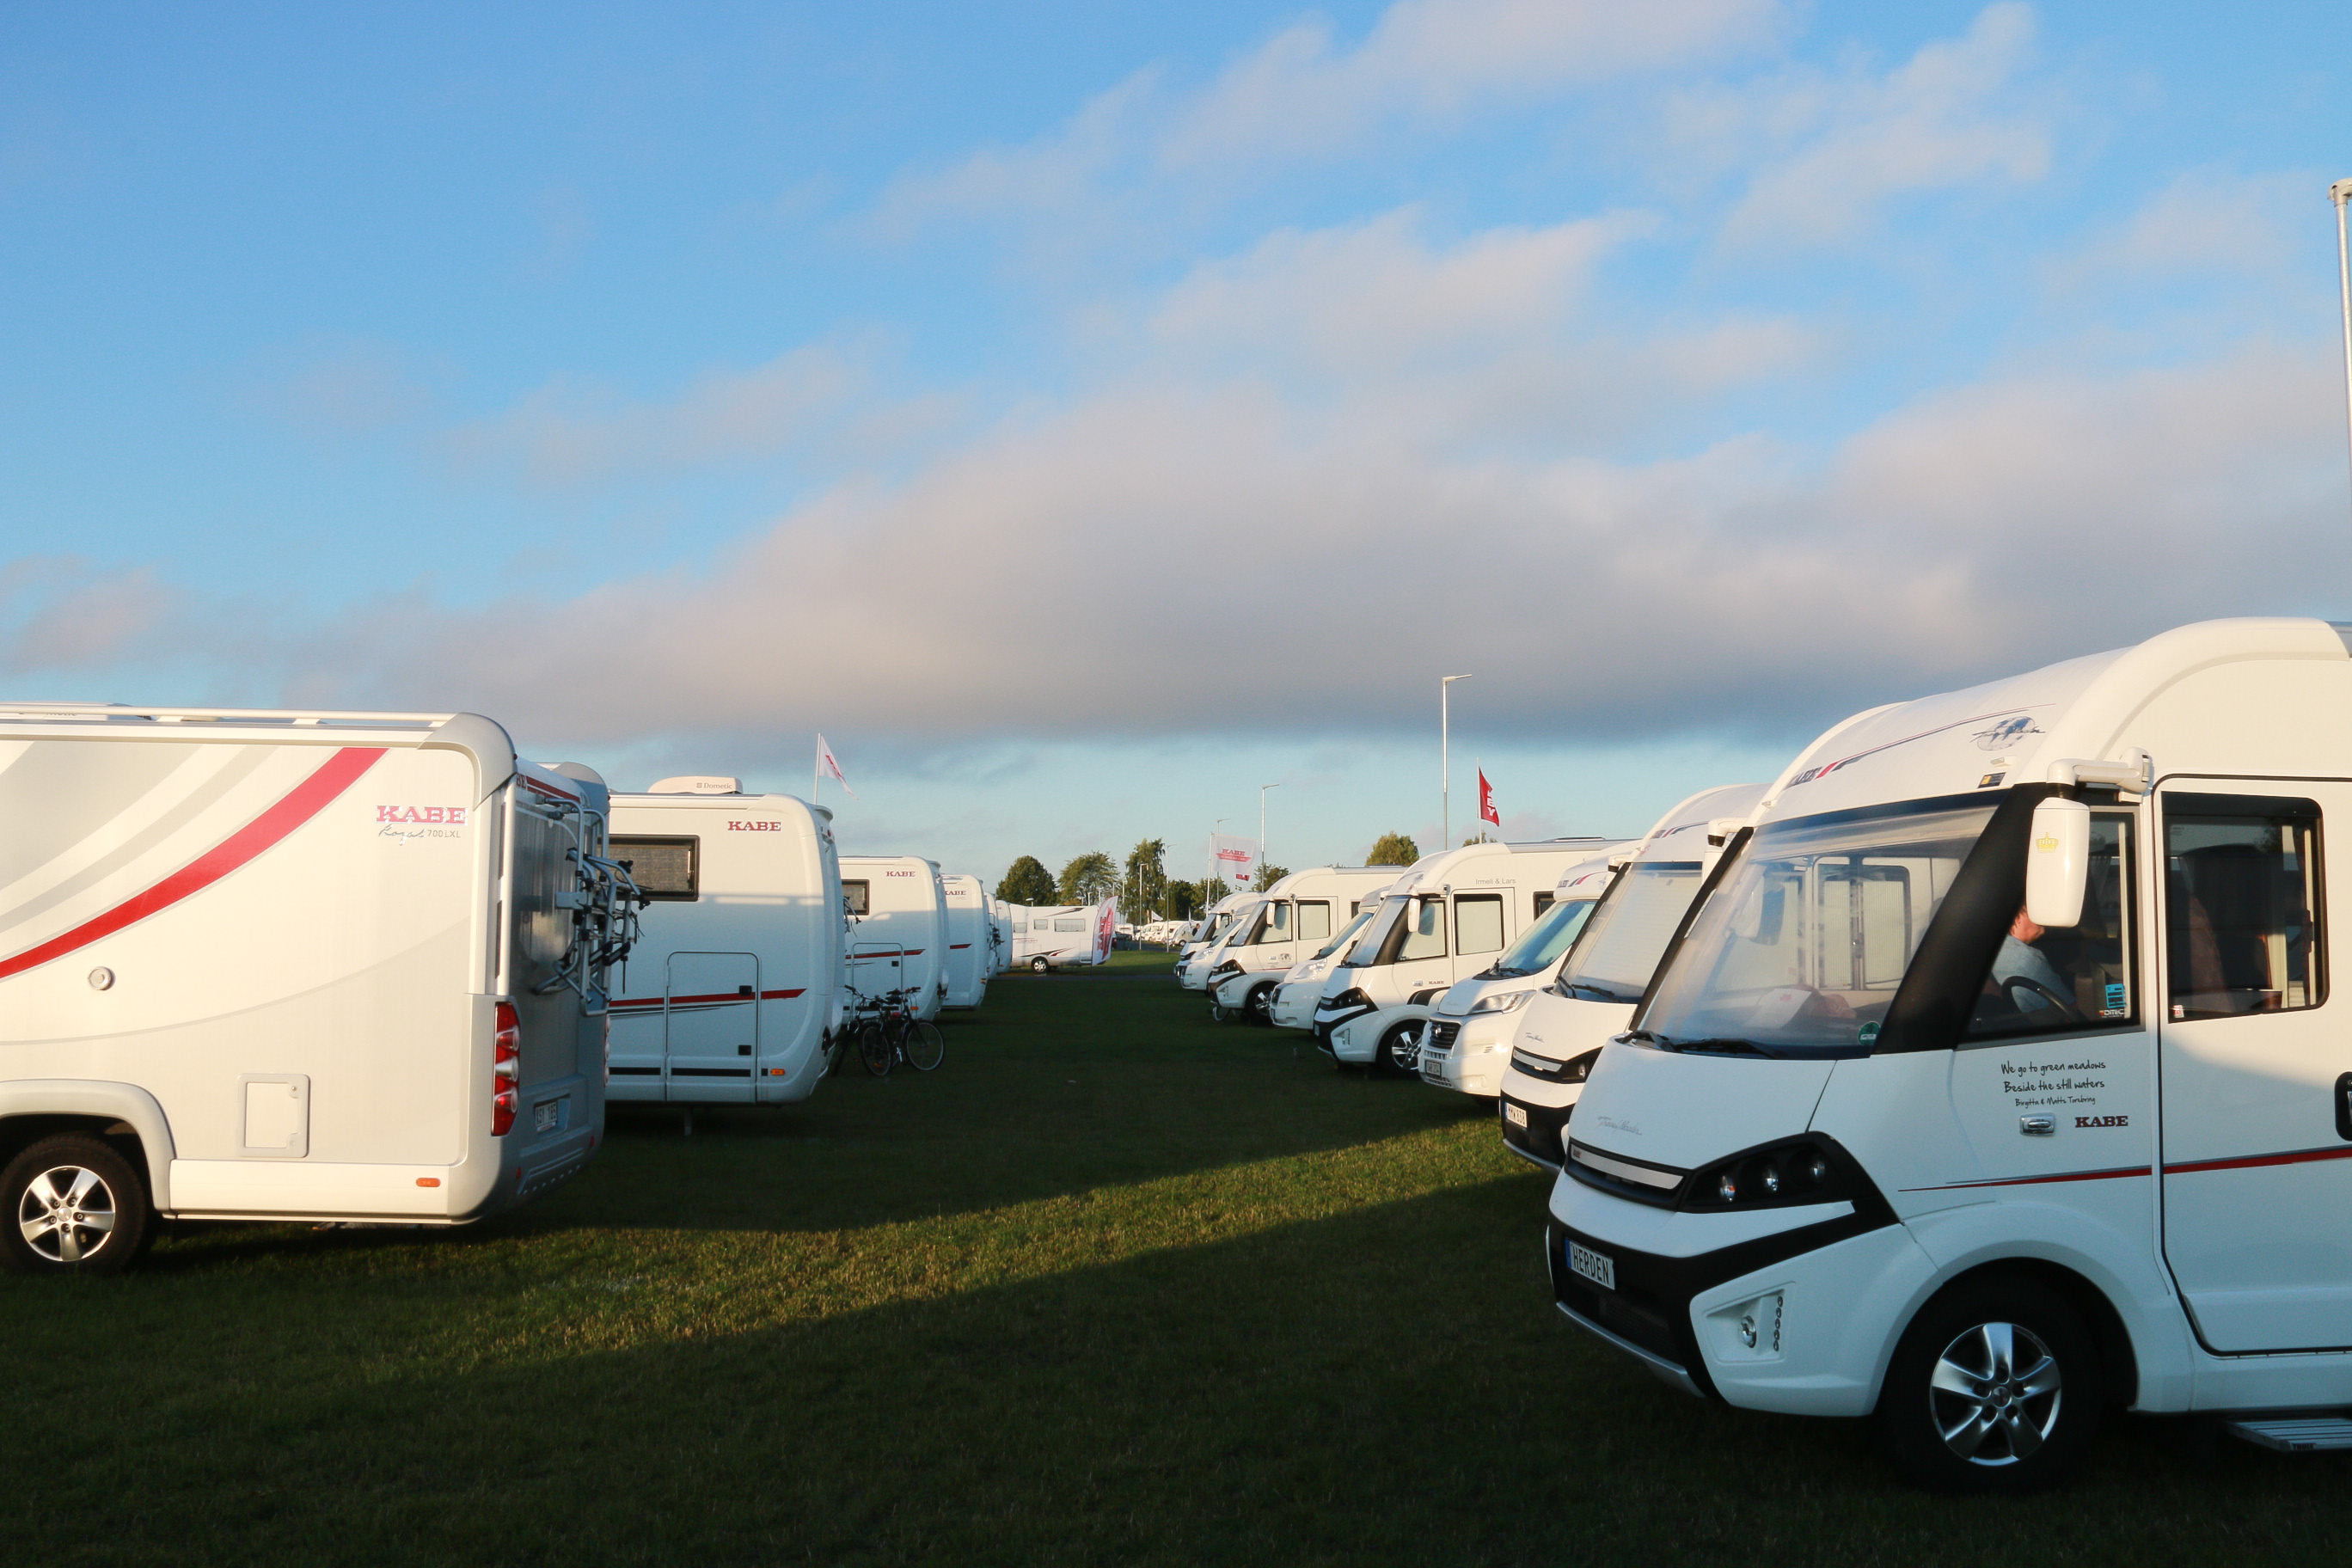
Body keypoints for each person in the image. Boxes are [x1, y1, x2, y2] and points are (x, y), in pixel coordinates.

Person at [1989, 906, 2071, 1007]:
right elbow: (2067, 1006)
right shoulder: (2026, 958)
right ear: (2017, 918)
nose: (2043, 918)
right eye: (2035, 912)